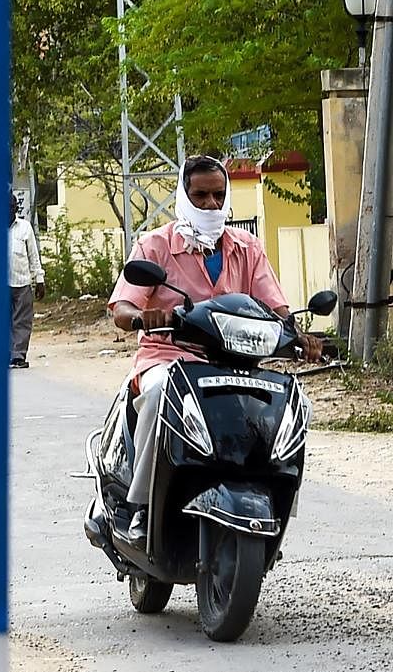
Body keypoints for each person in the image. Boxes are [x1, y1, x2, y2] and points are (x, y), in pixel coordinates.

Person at [107, 155, 321, 548]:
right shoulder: (154, 245)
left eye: (218, 195)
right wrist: (143, 316)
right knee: (158, 395)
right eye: (201, 195)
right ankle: (139, 506)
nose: (210, 204)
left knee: (290, 405)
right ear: (183, 196)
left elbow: (276, 309)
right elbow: (121, 307)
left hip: (235, 363)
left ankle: (274, 496)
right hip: (169, 359)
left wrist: (300, 336)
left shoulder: (247, 247)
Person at [10, 192, 46, 368]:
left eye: (10, 208)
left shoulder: (25, 227)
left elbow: (33, 255)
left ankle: (18, 356)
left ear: (15, 209)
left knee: (22, 321)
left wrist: (39, 279)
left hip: (22, 282)